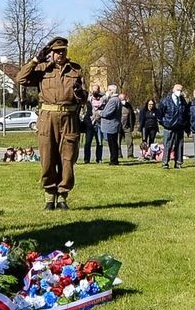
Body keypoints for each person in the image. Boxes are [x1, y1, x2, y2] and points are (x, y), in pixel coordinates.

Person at [15, 37, 85, 209]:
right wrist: (34, 60)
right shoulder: (42, 69)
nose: (60, 54)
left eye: (63, 51)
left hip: (69, 118)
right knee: (47, 158)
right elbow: (20, 79)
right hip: (47, 117)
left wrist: (79, 94)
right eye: (56, 51)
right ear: (50, 53)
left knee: (67, 159)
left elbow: (84, 97)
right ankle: (49, 196)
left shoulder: (76, 70)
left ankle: (62, 196)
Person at [159, 84, 189, 169]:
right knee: (167, 145)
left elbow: (186, 114)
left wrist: (186, 126)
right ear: (173, 90)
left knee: (179, 145)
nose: (179, 92)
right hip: (169, 127)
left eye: (181, 90)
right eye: (178, 90)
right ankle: (165, 163)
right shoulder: (166, 101)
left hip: (179, 127)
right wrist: (164, 123)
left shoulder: (182, 101)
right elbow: (160, 114)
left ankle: (178, 163)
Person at [99, 84, 122, 165]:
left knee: (112, 144)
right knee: (113, 143)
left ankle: (114, 160)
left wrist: (100, 113)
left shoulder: (113, 100)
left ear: (112, 91)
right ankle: (114, 159)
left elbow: (107, 113)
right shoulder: (116, 99)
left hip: (111, 125)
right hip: (112, 125)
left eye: (108, 90)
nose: (107, 91)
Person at [81, 88, 104, 164]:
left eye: (96, 90)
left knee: (99, 142)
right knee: (88, 143)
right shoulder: (88, 101)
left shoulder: (103, 99)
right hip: (89, 124)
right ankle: (87, 159)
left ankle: (99, 158)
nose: (95, 92)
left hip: (99, 123)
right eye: (94, 90)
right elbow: (83, 113)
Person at [120, 93, 137, 160]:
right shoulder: (117, 105)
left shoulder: (129, 106)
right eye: (122, 99)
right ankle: (119, 155)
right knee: (117, 142)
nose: (123, 100)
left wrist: (132, 125)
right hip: (118, 127)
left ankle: (130, 155)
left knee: (129, 142)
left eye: (124, 99)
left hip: (127, 127)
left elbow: (133, 116)